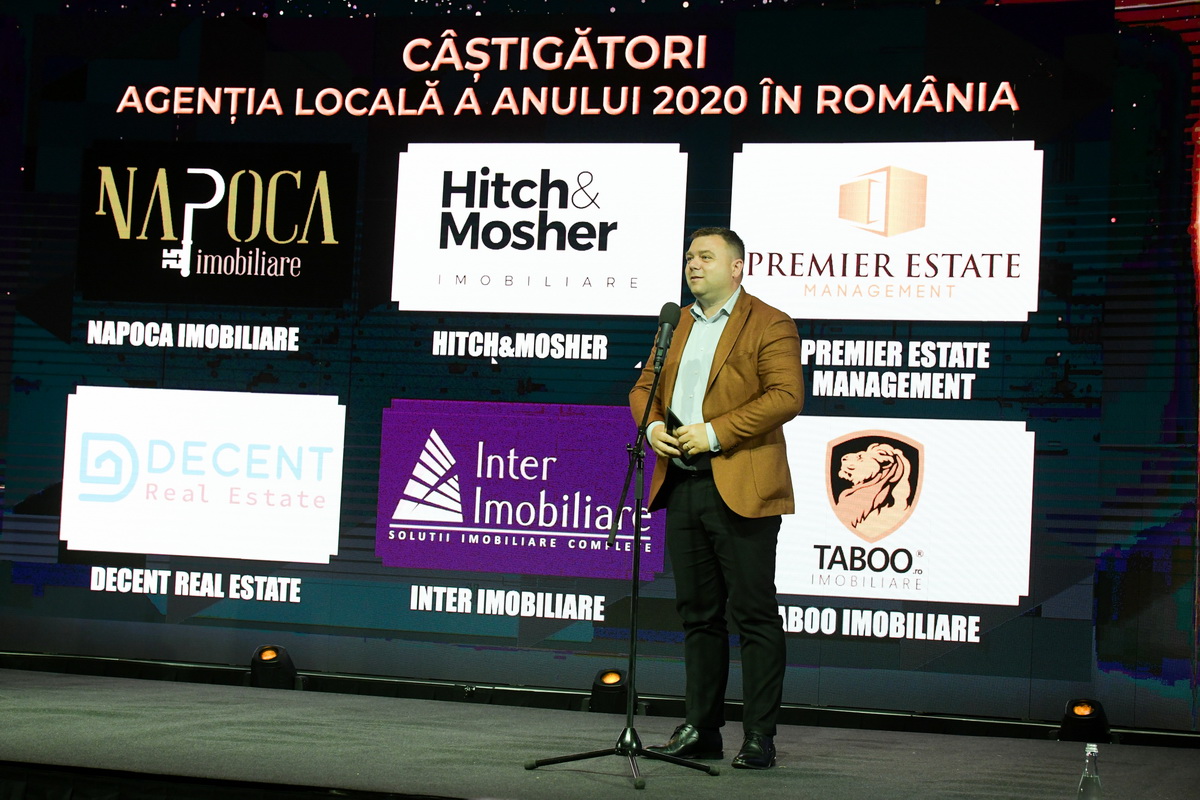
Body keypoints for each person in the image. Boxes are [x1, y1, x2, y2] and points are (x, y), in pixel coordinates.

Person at [629, 227, 804, 770]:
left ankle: (759, 736)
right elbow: (643, 388)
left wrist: (714, 432)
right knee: (698, 616)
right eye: (689, 256)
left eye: (706, 256)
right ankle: (701, 729)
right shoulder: (676, 322)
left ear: (737, 267)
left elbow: (787, 395)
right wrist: (652, 426)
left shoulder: (769, 322)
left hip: (742, 484)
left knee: (753, 614)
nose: (693, 264)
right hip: (682, 484)